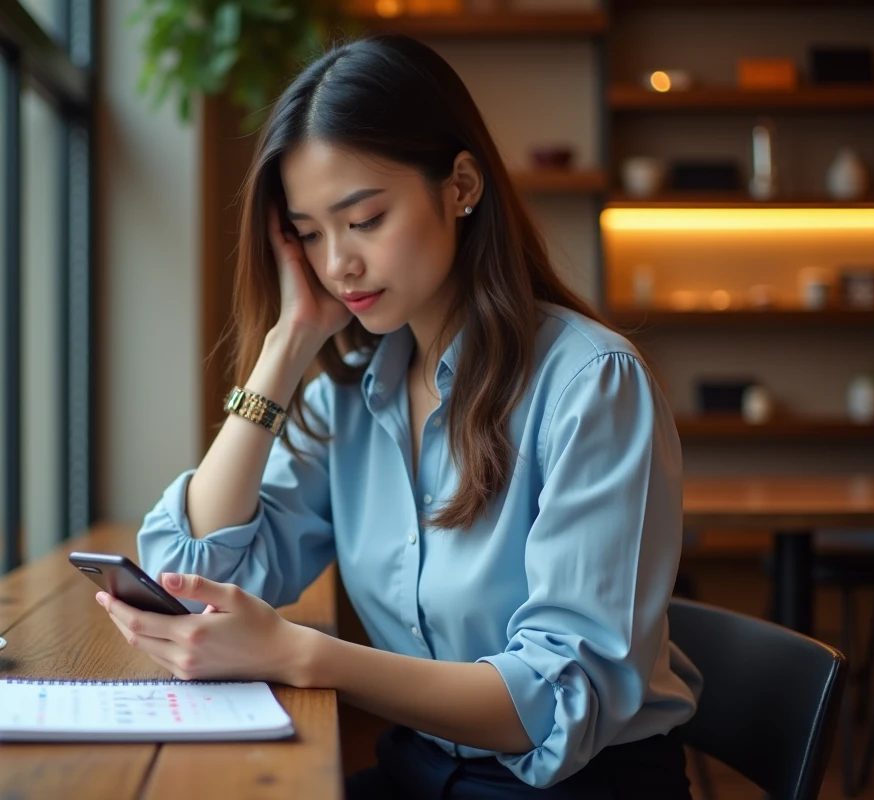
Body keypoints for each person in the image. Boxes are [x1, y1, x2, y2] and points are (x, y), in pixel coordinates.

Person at [94, 34, 702, 798]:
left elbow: (555, 699)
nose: (337, 263)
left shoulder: (591, 386)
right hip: (419, 772)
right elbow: (191, 578)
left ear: (461, 185)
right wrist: (286, 346)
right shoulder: (350, 395)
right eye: (309, 234)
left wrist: (297, 654)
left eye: (365, 219)